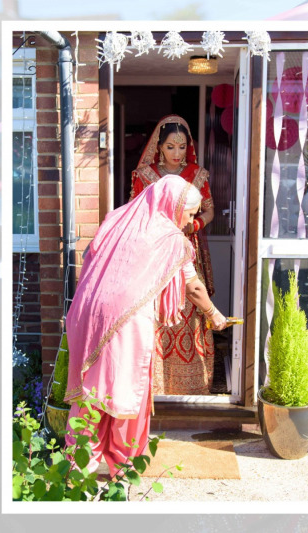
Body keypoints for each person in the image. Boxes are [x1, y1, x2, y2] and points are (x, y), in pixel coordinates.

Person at [64, 176, 227, 474]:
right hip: (126, 319)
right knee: (127, 391)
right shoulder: (169, 237)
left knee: (93, 389)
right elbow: (193, 287)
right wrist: (214, 313)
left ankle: (78, 465)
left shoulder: (118, 219)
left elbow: (91, 256)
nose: (190, 221)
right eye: (189, 214)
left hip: (86, 312)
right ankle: (122, 465)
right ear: (174, 206)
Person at [130, 115, 217, 395]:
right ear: (158, 146)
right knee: (153, 310)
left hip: (186, 247)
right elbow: (135, 214)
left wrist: (192, 225)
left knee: (191, 306)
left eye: (182, 147)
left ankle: (191, 382)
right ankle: (155, 383)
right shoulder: (144, 176)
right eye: (170, 147)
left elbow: (209, 210)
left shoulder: (197, 174)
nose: (177, 154)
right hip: (153, 252)